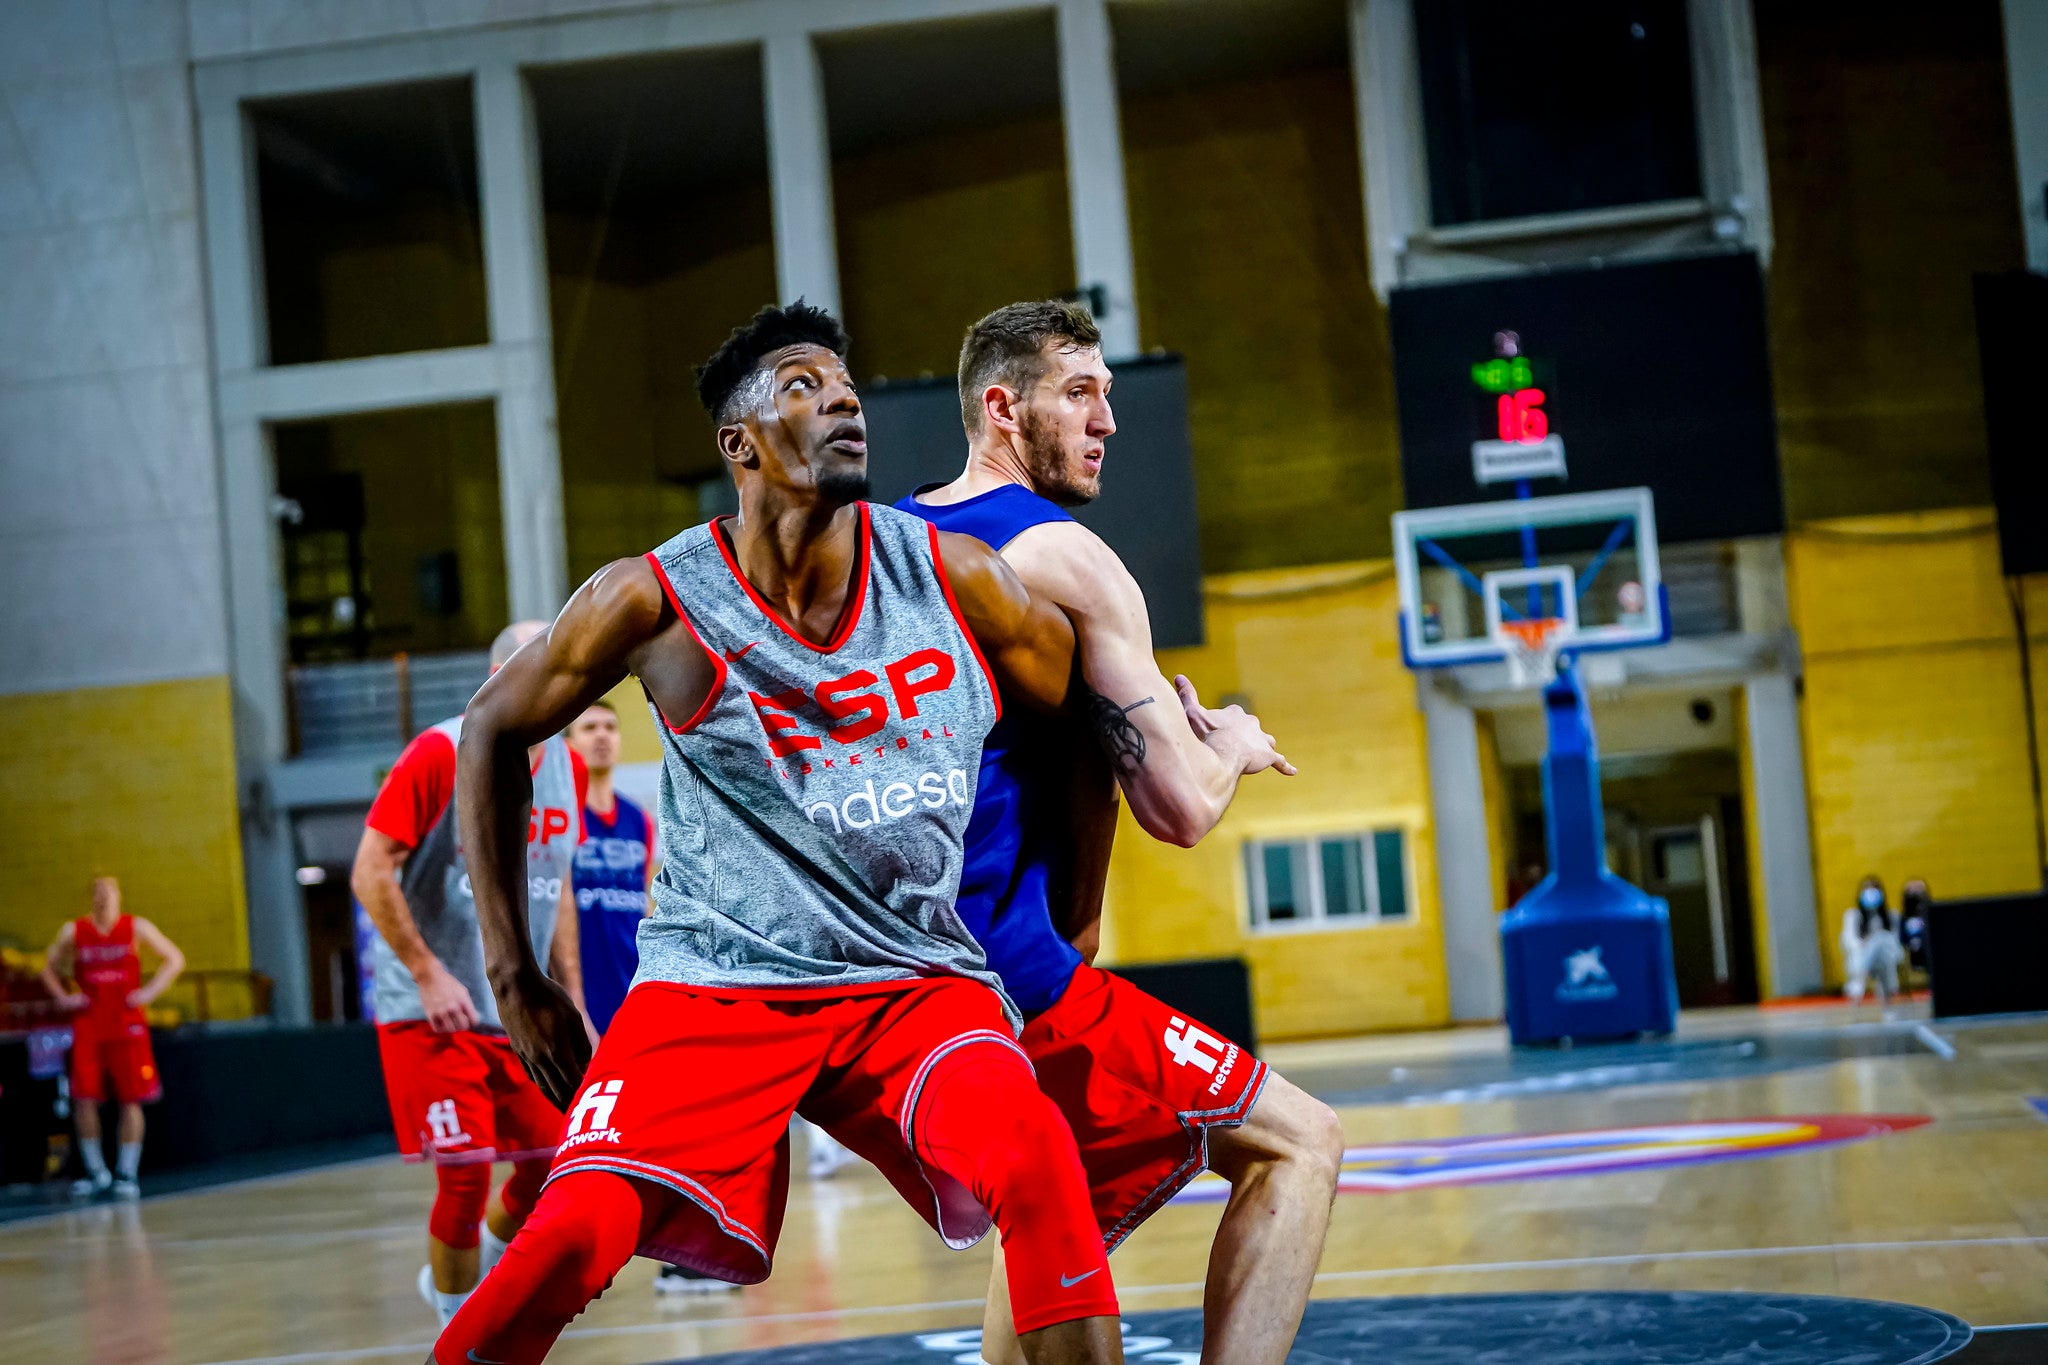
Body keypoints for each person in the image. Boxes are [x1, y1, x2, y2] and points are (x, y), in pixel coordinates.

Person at [436, 302, 1125, 1365]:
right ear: (739, 443)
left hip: (906, 982)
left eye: (844, 384)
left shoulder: (950, 578)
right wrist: (513, 977)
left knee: (1036, 1156)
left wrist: (1069, 911)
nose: (841, 397)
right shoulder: (654, 598)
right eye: (803, 386)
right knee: (567, 1237)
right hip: (712, 986)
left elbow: (1084, 719)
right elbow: (487, 731)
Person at [898, 299, 1345, 1365]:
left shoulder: (890, 543)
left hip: (908, 989)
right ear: (999, 408)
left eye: (1109, 397)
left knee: (1054, 1216)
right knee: (1299, 1144)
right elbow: (1179, 808)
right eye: (1080, 394)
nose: (1107, 422)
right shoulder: (1061, 555)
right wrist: (1230, 742)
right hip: (1013, 974)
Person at [349, 620, 589, 1328]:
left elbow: (557, 886)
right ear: (498, 676)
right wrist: (427, 973)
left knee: (552, 1166)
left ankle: (470, 1271)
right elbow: (369, 869)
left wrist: (570, 990)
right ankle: (458, 1330)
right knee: (463, 1173)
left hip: (512, 1007)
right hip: (433, 1009)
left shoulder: (565, 770)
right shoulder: (438, 750)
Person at [40, 876, 184, 1199]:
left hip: (126, 1021)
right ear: (92, 896)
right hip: (90, 1022)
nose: (104, 897)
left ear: (119, 895)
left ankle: (126, 1173)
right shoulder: (74, 931)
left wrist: (148, 993)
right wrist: (64, 998)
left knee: (131, 1098)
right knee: (83, 1098)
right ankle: (97, 1173)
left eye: (109, 890)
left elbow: (174, 960)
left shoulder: (136, 928)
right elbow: (46, 968)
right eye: (98, 891)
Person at [1841, 874, 1904, 1006]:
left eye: (1874, 890)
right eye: (1866, 890)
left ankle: (1860, 979)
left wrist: (1876, 939)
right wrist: (1864, 944)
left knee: (1881, 938)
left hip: (1885, 957)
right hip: (1862, 954)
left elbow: (1895, 942)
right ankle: (1887, 985)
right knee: (1873, 943)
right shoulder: (1853, 915)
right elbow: (1848, 939)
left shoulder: (1892, 915)